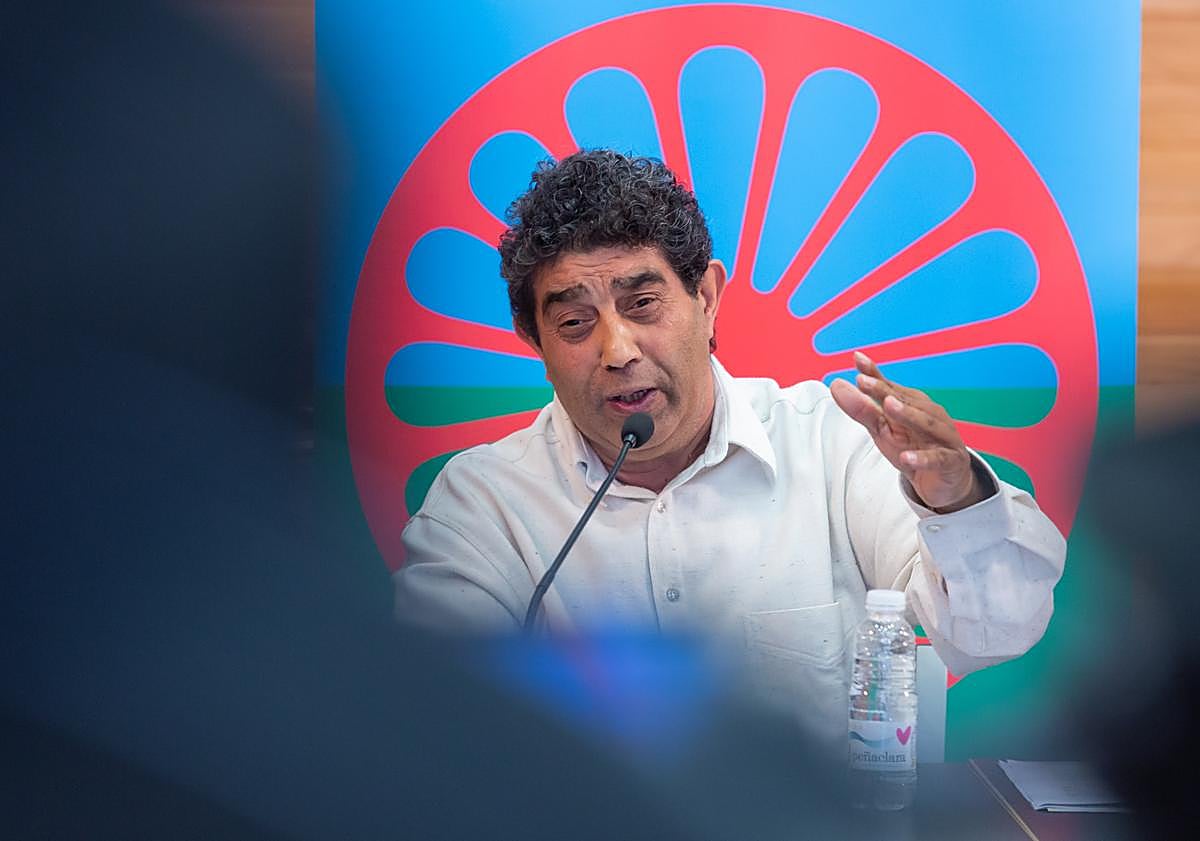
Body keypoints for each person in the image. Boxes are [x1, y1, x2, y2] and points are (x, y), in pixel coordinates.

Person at [394, 149, 1067, 739]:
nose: (616, 350)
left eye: (643, 304)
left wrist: (955, 501)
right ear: (535, 344)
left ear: (708, 297)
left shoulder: (830, 446)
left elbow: (993, 633)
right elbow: (437, 720)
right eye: (574, 322)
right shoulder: (485, 500)